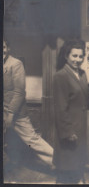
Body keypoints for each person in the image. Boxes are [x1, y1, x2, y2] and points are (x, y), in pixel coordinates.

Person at [53, 39, 89, 184]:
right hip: (70, 129)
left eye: (81, 56)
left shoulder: (82, 73)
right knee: (67, 169)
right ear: (66, 56)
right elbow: (60, 109)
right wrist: (67, 132)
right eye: (74, 56)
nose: (78, 60)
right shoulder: (61, 76)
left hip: (81, 128)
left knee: (77, 165)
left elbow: (83, 99)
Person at [3, 40, 53, 168]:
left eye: (3, 47)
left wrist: (10, 114)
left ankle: (60, 163)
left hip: (16, 113)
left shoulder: (16, 64)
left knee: (31, 140)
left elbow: (19, 92)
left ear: (8, 48)